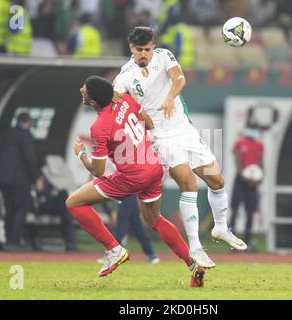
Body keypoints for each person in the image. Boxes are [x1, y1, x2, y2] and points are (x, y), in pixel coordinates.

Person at [113, 26, 247, 269]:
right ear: (131, 48)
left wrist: (169, 97)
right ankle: (195, 247)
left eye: (147, 49)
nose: (143, 54)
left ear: (153, 46)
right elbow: (120, 110)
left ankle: (221, 228)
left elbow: (179, 78)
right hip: (159, 137)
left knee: (217, 181)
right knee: (189, 183)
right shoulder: (123, 77)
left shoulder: (164, 56)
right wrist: (140, 119)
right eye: (138, 50)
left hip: (184, 129)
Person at [66, 75, 205, 287]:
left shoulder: (99, 127)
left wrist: (80, 154)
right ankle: (192, 265)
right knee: (154, 219)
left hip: (132, 176)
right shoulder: (124, 99)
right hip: (153, 167)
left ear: (93, 101)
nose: (81, 89)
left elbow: (98, 170)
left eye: (84, 89)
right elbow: (148, 123)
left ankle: (114, 249)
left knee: (73, 202)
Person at [0, 112, 41, 251]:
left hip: (3, 179)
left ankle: (8, 239)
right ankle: (14, 241)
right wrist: (35, 178)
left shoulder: (5, 134)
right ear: (28, 122)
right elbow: (29, 158)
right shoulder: (25, 134)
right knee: (22, 207)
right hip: (19, 180)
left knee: (9, 209)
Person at [229, 128, 264, 250]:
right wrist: (244, 177)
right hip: (241, 180)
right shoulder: (240, 143)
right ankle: (232, 243)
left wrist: (259, 178)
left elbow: (260, 162)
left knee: (251, 212)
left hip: (253, 183)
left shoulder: (259, 145)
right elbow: (237, 160)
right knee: (235, 210)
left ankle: (248, 242)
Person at [34, 174, 78, 252]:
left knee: (66, 217)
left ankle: (70, 243)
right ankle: (70, 243)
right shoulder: (41, 175)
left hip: (56, 206)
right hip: (44, 204)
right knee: (66, 213)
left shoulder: (57, 178)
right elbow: (39, 190)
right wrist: (50, 192)